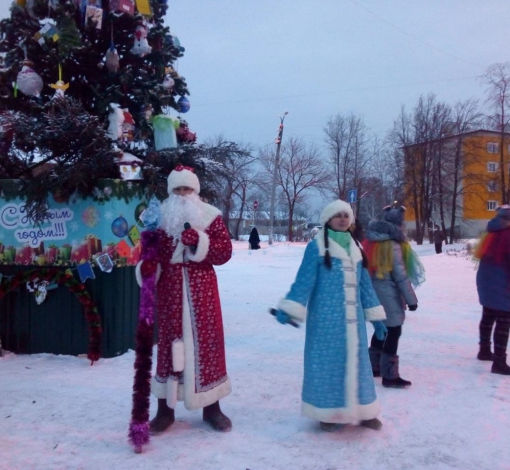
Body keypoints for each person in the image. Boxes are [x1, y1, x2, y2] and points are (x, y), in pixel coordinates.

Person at [274, 200, 387, 432]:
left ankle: (365, 411)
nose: (343, 219)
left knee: (359, 366)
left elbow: (365, 285)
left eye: (346, 215)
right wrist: (290, 307)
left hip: (353, 323)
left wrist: (376, 317)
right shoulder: (316, 247)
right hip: (326, 321)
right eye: (338, 215)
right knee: (327, 366)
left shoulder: (357, 248)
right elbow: (304, 281)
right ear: (328, 219)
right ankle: (328, 413)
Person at [136, 165, 233, 434]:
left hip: (203, 294)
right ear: (170, 191)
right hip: (169, 294)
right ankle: (165, 411)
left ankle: (212, 408)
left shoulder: (211, 217)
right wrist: (147, 268)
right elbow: (148, 257)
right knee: (169, 349)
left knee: (207, 347)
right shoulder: (158, 219)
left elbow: (224, 252)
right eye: (177, 189)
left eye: (186, 188)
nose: (182, 194)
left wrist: (199, 243)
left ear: (195, 191)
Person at [363, 206, 425, 388]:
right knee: (394, 331)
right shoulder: (394, 245)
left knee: (381, 329)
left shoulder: (371, 241)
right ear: (398, 225)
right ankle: (390, 376)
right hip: (388, 293)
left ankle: (374, 367)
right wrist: (412, 300)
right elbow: (400, 276)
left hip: (373, 292)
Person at [474, 205, 510, 375]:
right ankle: (499, 362)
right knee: (504, 321)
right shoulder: (508, 235)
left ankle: (484, 350)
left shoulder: (491, 233)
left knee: (488, 315)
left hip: (486, 282)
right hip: (501, 284)